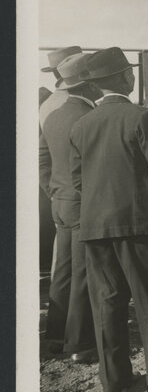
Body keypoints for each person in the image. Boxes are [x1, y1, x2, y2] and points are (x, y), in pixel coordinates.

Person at [69, 46, 148, 392]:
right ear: (126, 77)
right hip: (139, 225)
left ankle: (115, 380)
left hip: (94, 227)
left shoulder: (81, 125)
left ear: (95, 84)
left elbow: (78, 181)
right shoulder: (142, 117)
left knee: (107, 303)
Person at [39, 52, 98, 362]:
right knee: (84, 271)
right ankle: (81, 343)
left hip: (60, 201)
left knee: (63, 270)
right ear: (89, 84)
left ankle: (56, 334)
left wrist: (53, 190)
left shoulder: (51, 111)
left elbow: (42, 156)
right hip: (81, 202)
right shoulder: (86, 114)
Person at [39, 46, 84, 275]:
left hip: (60, 192)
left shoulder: (50, 103)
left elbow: (43, 154)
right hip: (76, 194)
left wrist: (51, 189)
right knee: (77, 264)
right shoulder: (73, 104)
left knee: (64, 262)